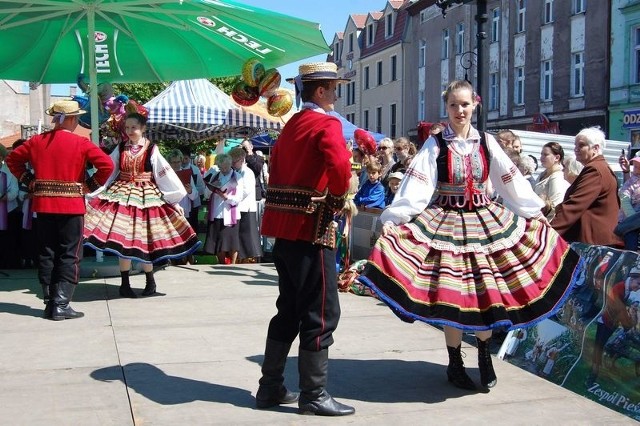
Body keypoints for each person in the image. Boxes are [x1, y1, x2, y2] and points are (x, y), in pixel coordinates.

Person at [357, 80, 580, 391]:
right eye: (453, 105)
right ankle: (455, 361)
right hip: (446, 223)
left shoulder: (487, 142)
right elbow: (418, 187)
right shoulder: (436, 145)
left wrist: (534, 212)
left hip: (485, 222)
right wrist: (395, 218)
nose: (459, 110)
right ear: (446, 108)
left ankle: (485, 359)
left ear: (475, 104)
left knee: (486, 295)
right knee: (453, 295)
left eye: (464, 104)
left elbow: (509, 182)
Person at [257, 62, 355, 416]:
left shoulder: (292, 125)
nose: (335, 94)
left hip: (284, 231)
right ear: (320, 91)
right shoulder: (325, 123)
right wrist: (337, 198)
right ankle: (313, 395)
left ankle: (269, 387)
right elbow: (341, 169)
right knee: (321, 312)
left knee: (289, 309)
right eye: (333, 88)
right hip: (312, 230)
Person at [6, 100, 114, 319]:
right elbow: (107, 165)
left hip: (43, 205)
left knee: (47, 252)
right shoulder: (81, 143)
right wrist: (89, 185)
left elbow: (12, 159)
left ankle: (49, 302)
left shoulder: (36, 141)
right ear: (72, 119)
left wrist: (29, 180)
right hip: (71, 206)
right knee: (69, 254)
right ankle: (61, 304)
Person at [84, 112, 201, 298]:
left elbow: (163, 174)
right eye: (127, 127)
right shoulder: (121, 148)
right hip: (121, 196)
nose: (130, 131)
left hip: (146, 197)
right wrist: (92, 189)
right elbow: (110, 169)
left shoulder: (151, 149)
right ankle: (125, 283)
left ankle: (150, 281)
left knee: (145, 242)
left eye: (134, 127)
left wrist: (174, 199)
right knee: (123, 240)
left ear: (143, 128)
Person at [551, 127, 623, 247]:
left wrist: (547, 233)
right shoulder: (599, 167)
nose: (576, 149)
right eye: (575, 146)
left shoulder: (595, 170)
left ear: (595, 148)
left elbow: (574, 205)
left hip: (594, 245)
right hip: (597, 242)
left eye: (581, 145)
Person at [587, 265, 640, 384]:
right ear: (631, 279)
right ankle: (593, 375)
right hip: (606, 321)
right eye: (638, 283)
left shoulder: (626, 290)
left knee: (600, 347)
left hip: (611, 323)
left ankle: (594, 372)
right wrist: (629, 326)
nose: (639, 287)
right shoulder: (619, 288)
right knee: (598, 347)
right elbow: (620, 310)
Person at [203, 153, 243, 265]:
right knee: (218, 241)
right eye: (221, 167)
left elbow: (239, 197)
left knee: (232, 242)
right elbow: (206, 194)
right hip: (216, 213)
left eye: (226, 166)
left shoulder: (237, 177)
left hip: (230, 213)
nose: (224, 169)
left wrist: (226, 197)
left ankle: (233, 264)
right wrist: (211, 189)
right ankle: (221, 263)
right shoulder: (214, 175)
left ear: (230, 164)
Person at [229, 147, 262, 263]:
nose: (232, 164)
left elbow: (245, 190)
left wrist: (233, 199)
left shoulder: (247, 172)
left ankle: (250, 257)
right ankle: (241, 257)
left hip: (246, 207)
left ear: (242, 159)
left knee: (248, 236)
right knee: (241, 236)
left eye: (234, 161)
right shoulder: (235, 172)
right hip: (238, 207)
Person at [535, 142, 570, 221]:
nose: (541, 158)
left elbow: (555, 206)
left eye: (546, 155)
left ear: (557, 158)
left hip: (546, 222)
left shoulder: (557, 177)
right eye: (541, 154)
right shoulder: (542, 174)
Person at [0, 144, 21, 269]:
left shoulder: (9, 172)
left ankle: (9, 262)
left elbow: (14, 191)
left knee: (9, 239)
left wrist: (5, 197)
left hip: (9, 210)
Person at [613, 153, 640, 250]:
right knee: (631, 239)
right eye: (635, 165)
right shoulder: (632, 181)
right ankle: (631, 260)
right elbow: (624, 199)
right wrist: (633, 218)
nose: (636, 168)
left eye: (638, 166)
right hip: (630, 221)